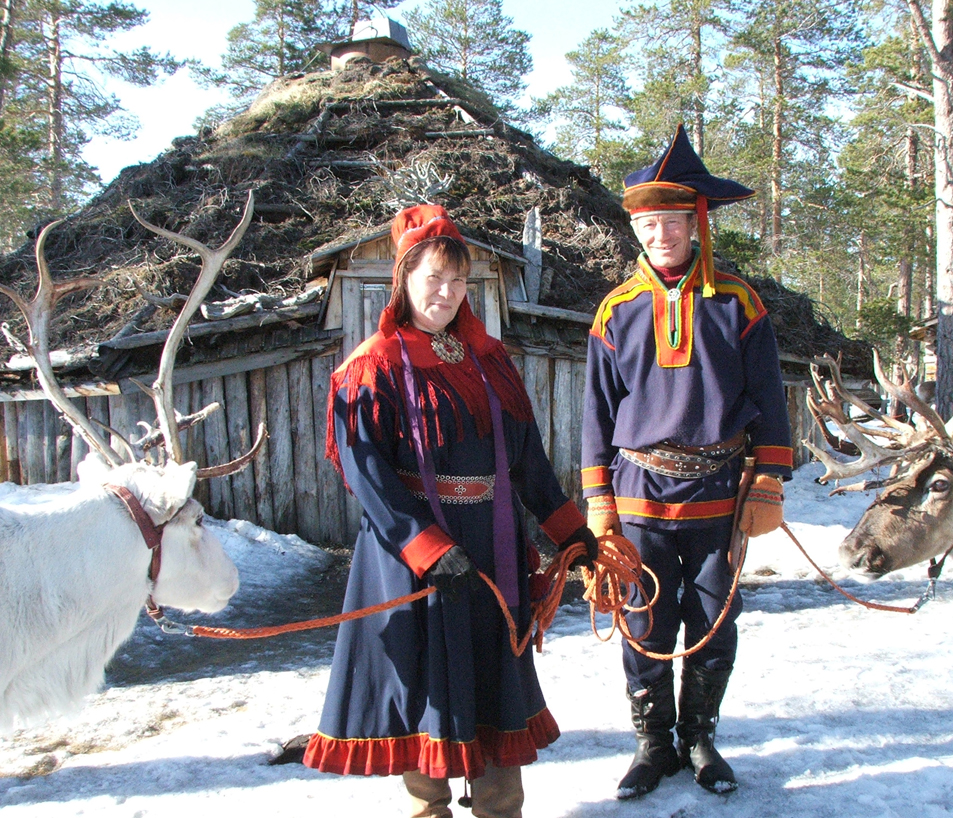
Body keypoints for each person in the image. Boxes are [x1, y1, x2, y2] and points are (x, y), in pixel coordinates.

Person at [304, 204, 598, 818]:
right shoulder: (372, 366)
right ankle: (428, 808)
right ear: (404, 280)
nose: (446, 293)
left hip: (492, 547)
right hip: (416, 556)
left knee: (495, 681)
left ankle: (499, 809)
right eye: (433, 278)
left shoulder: (489, 361)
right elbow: (368, 473)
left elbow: (527, 460)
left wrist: (570, 532)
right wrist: (426, 548)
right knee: (429, 685)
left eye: (458, 281)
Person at [581, 124, 793, 800]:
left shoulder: (738, 303)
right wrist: (597, 503)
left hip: (717, 496)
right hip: (638, 492)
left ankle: (699, 739)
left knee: (711, 622)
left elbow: (767, 400)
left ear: (695, 222)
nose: (659, 236)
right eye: (647, 225)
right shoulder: (614, 311)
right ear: (637, 230)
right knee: (643, 622)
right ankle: (651, 747)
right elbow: (595, 415)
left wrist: (766, 480)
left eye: (671, 223)